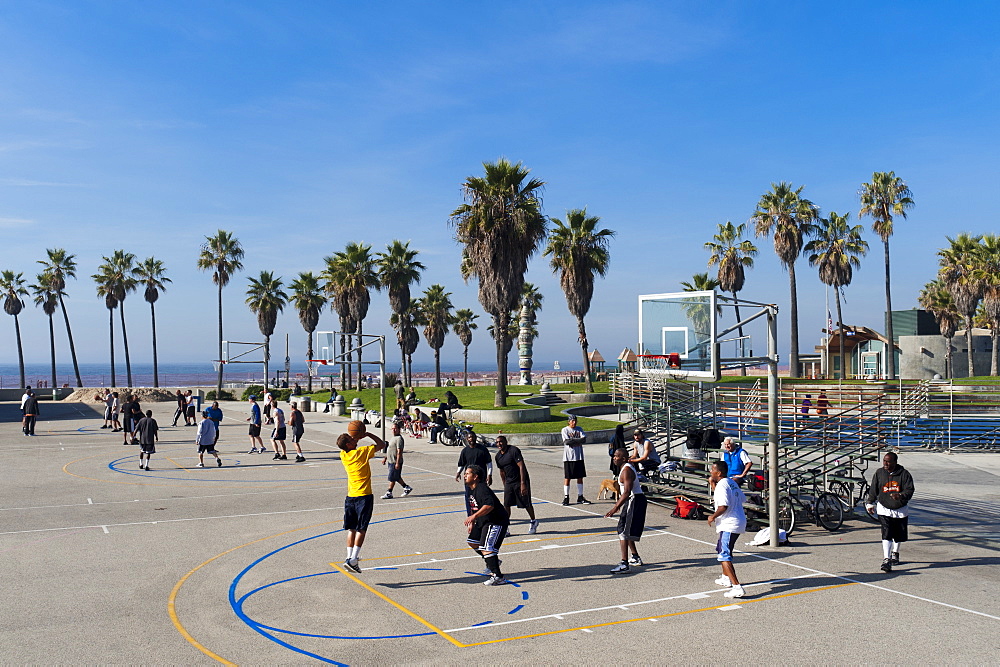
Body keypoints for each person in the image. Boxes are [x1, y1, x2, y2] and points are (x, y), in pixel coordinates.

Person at [337, 427, 388, 573]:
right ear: (348, 445)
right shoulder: (361, 452)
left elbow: (348, 445)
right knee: (362, 528)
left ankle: (349, 558)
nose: (355, 439)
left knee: (351, 528)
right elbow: (381, 444)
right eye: (352, 439)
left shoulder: (343, 455)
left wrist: (355, 438)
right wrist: (366, 434)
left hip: (350, 496)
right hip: (364, 496)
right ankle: (353, 559)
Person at [865, 452, 915, 573]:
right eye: (884, 461)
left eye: (888, 462)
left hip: (900, 509)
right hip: (884, 507)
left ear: (895, 462)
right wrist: (870, 502)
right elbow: (873, 489)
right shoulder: (879, 473)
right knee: (886, 532)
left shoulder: (904, 474)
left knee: (898, 535)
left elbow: (910, 490)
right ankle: (886, 559)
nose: (885, 464)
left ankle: (895, 553)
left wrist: (901, 496)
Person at [463, 464, 510, 586]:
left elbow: (489, 505)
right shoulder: (471, 490)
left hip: (495, 521)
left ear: (476, 476)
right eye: (465, 473)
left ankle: (498, 576)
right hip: (483, 521)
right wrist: (473, 522)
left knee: (487, 548)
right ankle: (493, 561)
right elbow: (475, 507)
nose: (465, 476)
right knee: (473, 541)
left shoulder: (482, 488)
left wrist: (474, 517)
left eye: (468, 473)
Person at [707, 459, 747, 598]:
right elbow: (741, 499)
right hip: (737, 521)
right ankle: (725, 578)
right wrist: (713, 485)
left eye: (712, 469)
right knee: (724, 549)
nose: (710, 471)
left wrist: (712, 516)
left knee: (724, 554)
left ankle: (737, 587)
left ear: (718, 472)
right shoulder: (731, 482)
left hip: (730, 523)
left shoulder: (722, 485)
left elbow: (723, 506)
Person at [605, 448, 646, 573]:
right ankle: (635, 557)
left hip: (635, 500)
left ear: (623, 458)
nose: (614, 458)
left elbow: (627, 492)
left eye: (616, 456)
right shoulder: (625, 468)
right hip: (633, 500)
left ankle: (624, 564)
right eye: (614, 456)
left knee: (622, 531)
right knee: (625, 530)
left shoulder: (627, 470)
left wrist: (615, 507)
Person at [494, 435, 539, 534]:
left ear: (506, 442)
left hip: (520, 480)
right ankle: (505, 527)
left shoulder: (514, 450)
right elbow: (501, 471)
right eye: (497, 442)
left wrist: (523, 483)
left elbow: (521, 466)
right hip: (509, 482)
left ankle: (533, 521)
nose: (499, 444)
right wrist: (505, 484)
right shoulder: (498, 456)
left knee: (526, 503)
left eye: (501, 442)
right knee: (506, 504)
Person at [457, 434, 493, 511]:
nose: (471, 439)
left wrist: (489, 475)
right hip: (469, 479)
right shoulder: (465, 451)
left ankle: (481, 514)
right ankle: (470, 514)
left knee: (481, 496)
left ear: (476, 438)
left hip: (480, 478)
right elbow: (461, 464)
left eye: (473, 437)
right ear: (467, 439)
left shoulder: (482, 449)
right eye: (469, 437)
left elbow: (489, 463)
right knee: (469, 497)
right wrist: (458, 473)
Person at [561, 417, 591, 505]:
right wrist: (577, 441)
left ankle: (580, 496)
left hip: (579, 457)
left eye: (575, 421)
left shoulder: (579, 429)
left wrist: (573, 440)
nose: (574, 422)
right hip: (569, 457)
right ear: (568, 422)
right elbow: (567, 442)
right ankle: (566, 497)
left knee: (580, 477)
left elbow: (584, 439)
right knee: (568, 477)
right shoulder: (565, 430)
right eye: (572, 421)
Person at [380, 422, 412, 499]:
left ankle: (389, 492)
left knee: (392, 478)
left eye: (395, 429)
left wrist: (397, 463)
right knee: (396, 477)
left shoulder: (399, 439)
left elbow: (399, 451)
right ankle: (406, 487)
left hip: (395, 462)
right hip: (390, 461)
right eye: (392, 429)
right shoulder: (393, 438)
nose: (393, 430)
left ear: (399, 429)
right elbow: (390, 450)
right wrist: (385, 458)